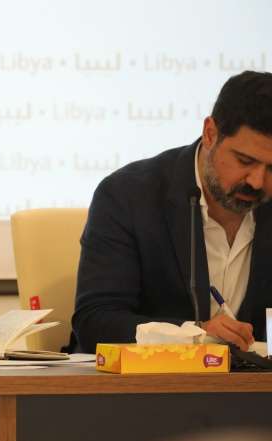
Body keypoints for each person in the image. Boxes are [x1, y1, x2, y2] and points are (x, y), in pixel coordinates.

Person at [73, 71, 272, 353]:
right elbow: (95, 322)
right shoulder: (128, 196)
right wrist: (194, 335)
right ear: (210, 133)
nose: (257, 181)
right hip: (152, 379)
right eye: (244, 161)